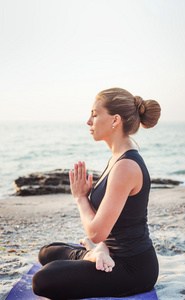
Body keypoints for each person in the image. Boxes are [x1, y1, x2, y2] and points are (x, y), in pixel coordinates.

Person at [32, 87, 161, 299]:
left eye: (94, 114)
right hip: (109, 252)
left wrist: (80, 197)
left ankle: (95, 253)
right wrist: (101, 246)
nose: (89, 121)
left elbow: (95, 232)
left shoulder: (126, 166)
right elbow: (104, 226)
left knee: (43, 280)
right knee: (47, 252)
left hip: (132, 267)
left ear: (115, 120)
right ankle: (96, 253)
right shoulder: (117, 159)